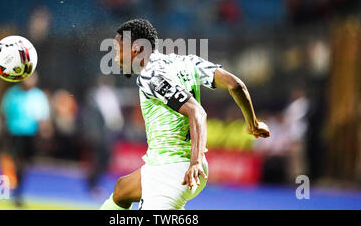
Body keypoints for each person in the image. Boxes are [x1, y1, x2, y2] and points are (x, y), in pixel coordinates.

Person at [100, 18, 270, 210]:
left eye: (118, 50)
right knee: (121, 191)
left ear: (136, 49)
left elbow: (196, 111)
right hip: (167, 167)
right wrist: (253, 124)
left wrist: (195, 162)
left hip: (171, 170)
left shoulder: (150, 76)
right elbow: (235, 85)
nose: (115, 58)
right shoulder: (188, 62)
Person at [0, 72, 50, 207]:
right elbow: (4, 114)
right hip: (14, 133)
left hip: (29, 135)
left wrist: (44, 134)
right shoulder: (12, 94)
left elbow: (43, 118)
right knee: (14, 161)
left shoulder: (38, 96)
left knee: (23, 164)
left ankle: (17, 190)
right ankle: (10, 189)